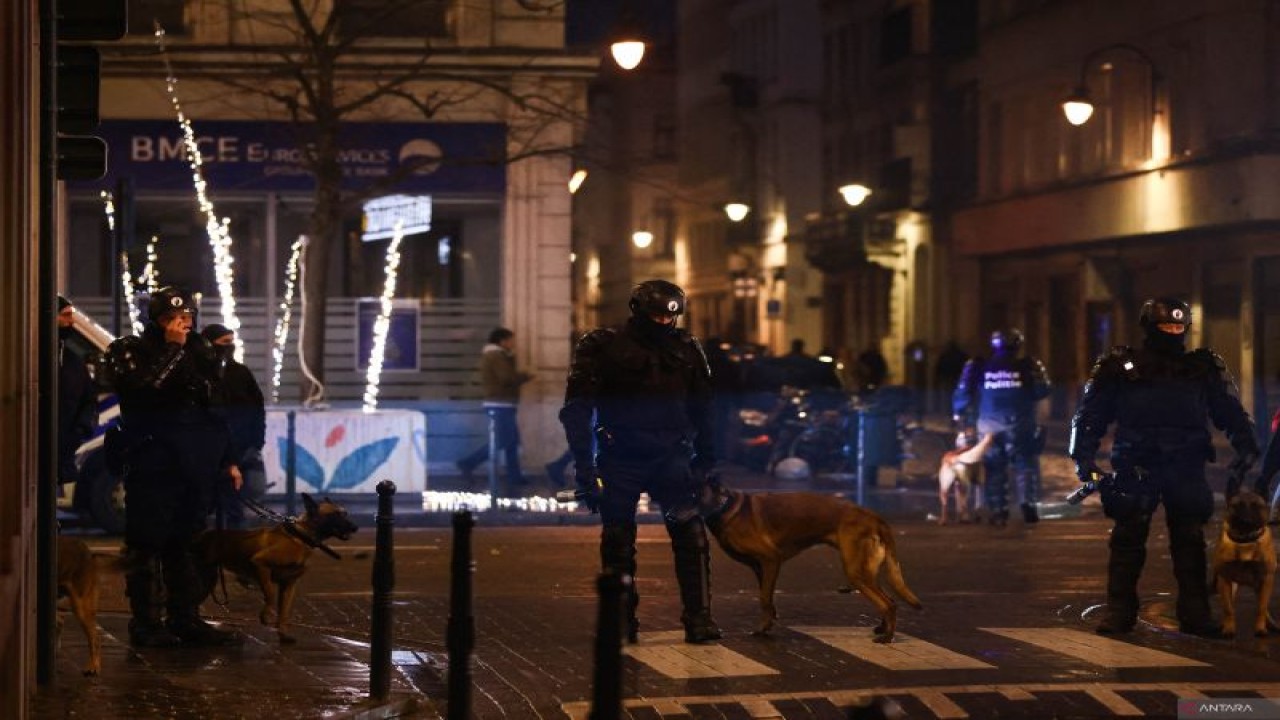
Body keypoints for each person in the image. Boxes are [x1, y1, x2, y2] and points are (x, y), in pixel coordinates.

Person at [1069, 297, 1259, 636]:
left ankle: (1195, 613)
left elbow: (1228, 410)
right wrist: (1083, 458)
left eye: (1177, 327)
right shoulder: (1120, 365)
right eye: (1165, 327)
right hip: (1136, 462)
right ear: (1149, 327)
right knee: (1128, 539)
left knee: (1190, 541)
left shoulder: (1201, 367)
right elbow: (1090, 416)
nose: (1172, 332)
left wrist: (1246, 445)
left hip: (1185, 463)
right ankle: (1120, 612)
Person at [559, 279, 721, 644]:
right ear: (639, 311)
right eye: (657, 316)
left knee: (691, 536)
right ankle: (621, 620)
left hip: (672, 456)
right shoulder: (601, 345)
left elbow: (705, 407)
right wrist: (585, 467)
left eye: (670, 317)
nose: (664, 323)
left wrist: (707, 461)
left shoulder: (686, 348)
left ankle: (699, 618)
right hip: (621, 456)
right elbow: (577, 409)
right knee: (618, 540)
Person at [101, 286, 243, 647]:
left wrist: (227, 459)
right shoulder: (129, 349)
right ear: (156, 321)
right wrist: (173, 349)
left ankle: (185, 617)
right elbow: (144, 393)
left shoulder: (201, 351)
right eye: (170, 318)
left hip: (194, 464)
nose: (181, 324)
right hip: (152, 463)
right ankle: (146, 624)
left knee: (187, 541)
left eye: (186, 318)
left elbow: (218, 406)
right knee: (147, 543)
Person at [952, 328, 1051, 526]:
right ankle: (1028, 504)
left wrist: (960, 415)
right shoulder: (1029, 366)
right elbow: (1042, 391)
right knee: (1025, 464)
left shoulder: (978, 366)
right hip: (1020, 424)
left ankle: (998, 510)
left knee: (994, 468)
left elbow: (962, 393)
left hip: (988, 426)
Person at [201, 324, 267, 529]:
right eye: (224, 342)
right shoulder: (200, 375)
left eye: (231, 341)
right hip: (210, 452)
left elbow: (256, 408)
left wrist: (255, 442)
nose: (229, 346)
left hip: (241, 449)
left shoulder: (240, 373)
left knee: (235, 508)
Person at [457, 327, 534, 487]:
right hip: (499, 403)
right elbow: (507, 378)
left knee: (512, 442)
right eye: (511, 340)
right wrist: (526, 376)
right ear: (502, 341)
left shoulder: (500, 355)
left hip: (504, 403)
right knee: (503, 440)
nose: (513, 343)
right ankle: (468, 463)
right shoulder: (496, 356)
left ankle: (514, 477)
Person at [57, 295, 97, 486]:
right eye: (65, 315)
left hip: (62, 453)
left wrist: (79, 431)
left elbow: (88, 399)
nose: (71, 322)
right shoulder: (32, 355)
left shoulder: (71, 360)